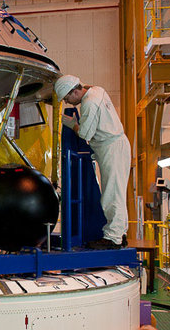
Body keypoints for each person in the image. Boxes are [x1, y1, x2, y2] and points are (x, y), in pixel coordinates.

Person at [54, 74, 131, 250]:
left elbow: (85, 134)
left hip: (111, 148)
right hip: (115, 145)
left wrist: (72, 124)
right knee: (117, 192)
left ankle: (112, 238)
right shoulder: (98, 91)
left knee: (111, 194)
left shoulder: (89, 102)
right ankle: (119, 234)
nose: (68, 102)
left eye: (67, 98)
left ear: (74, 91)